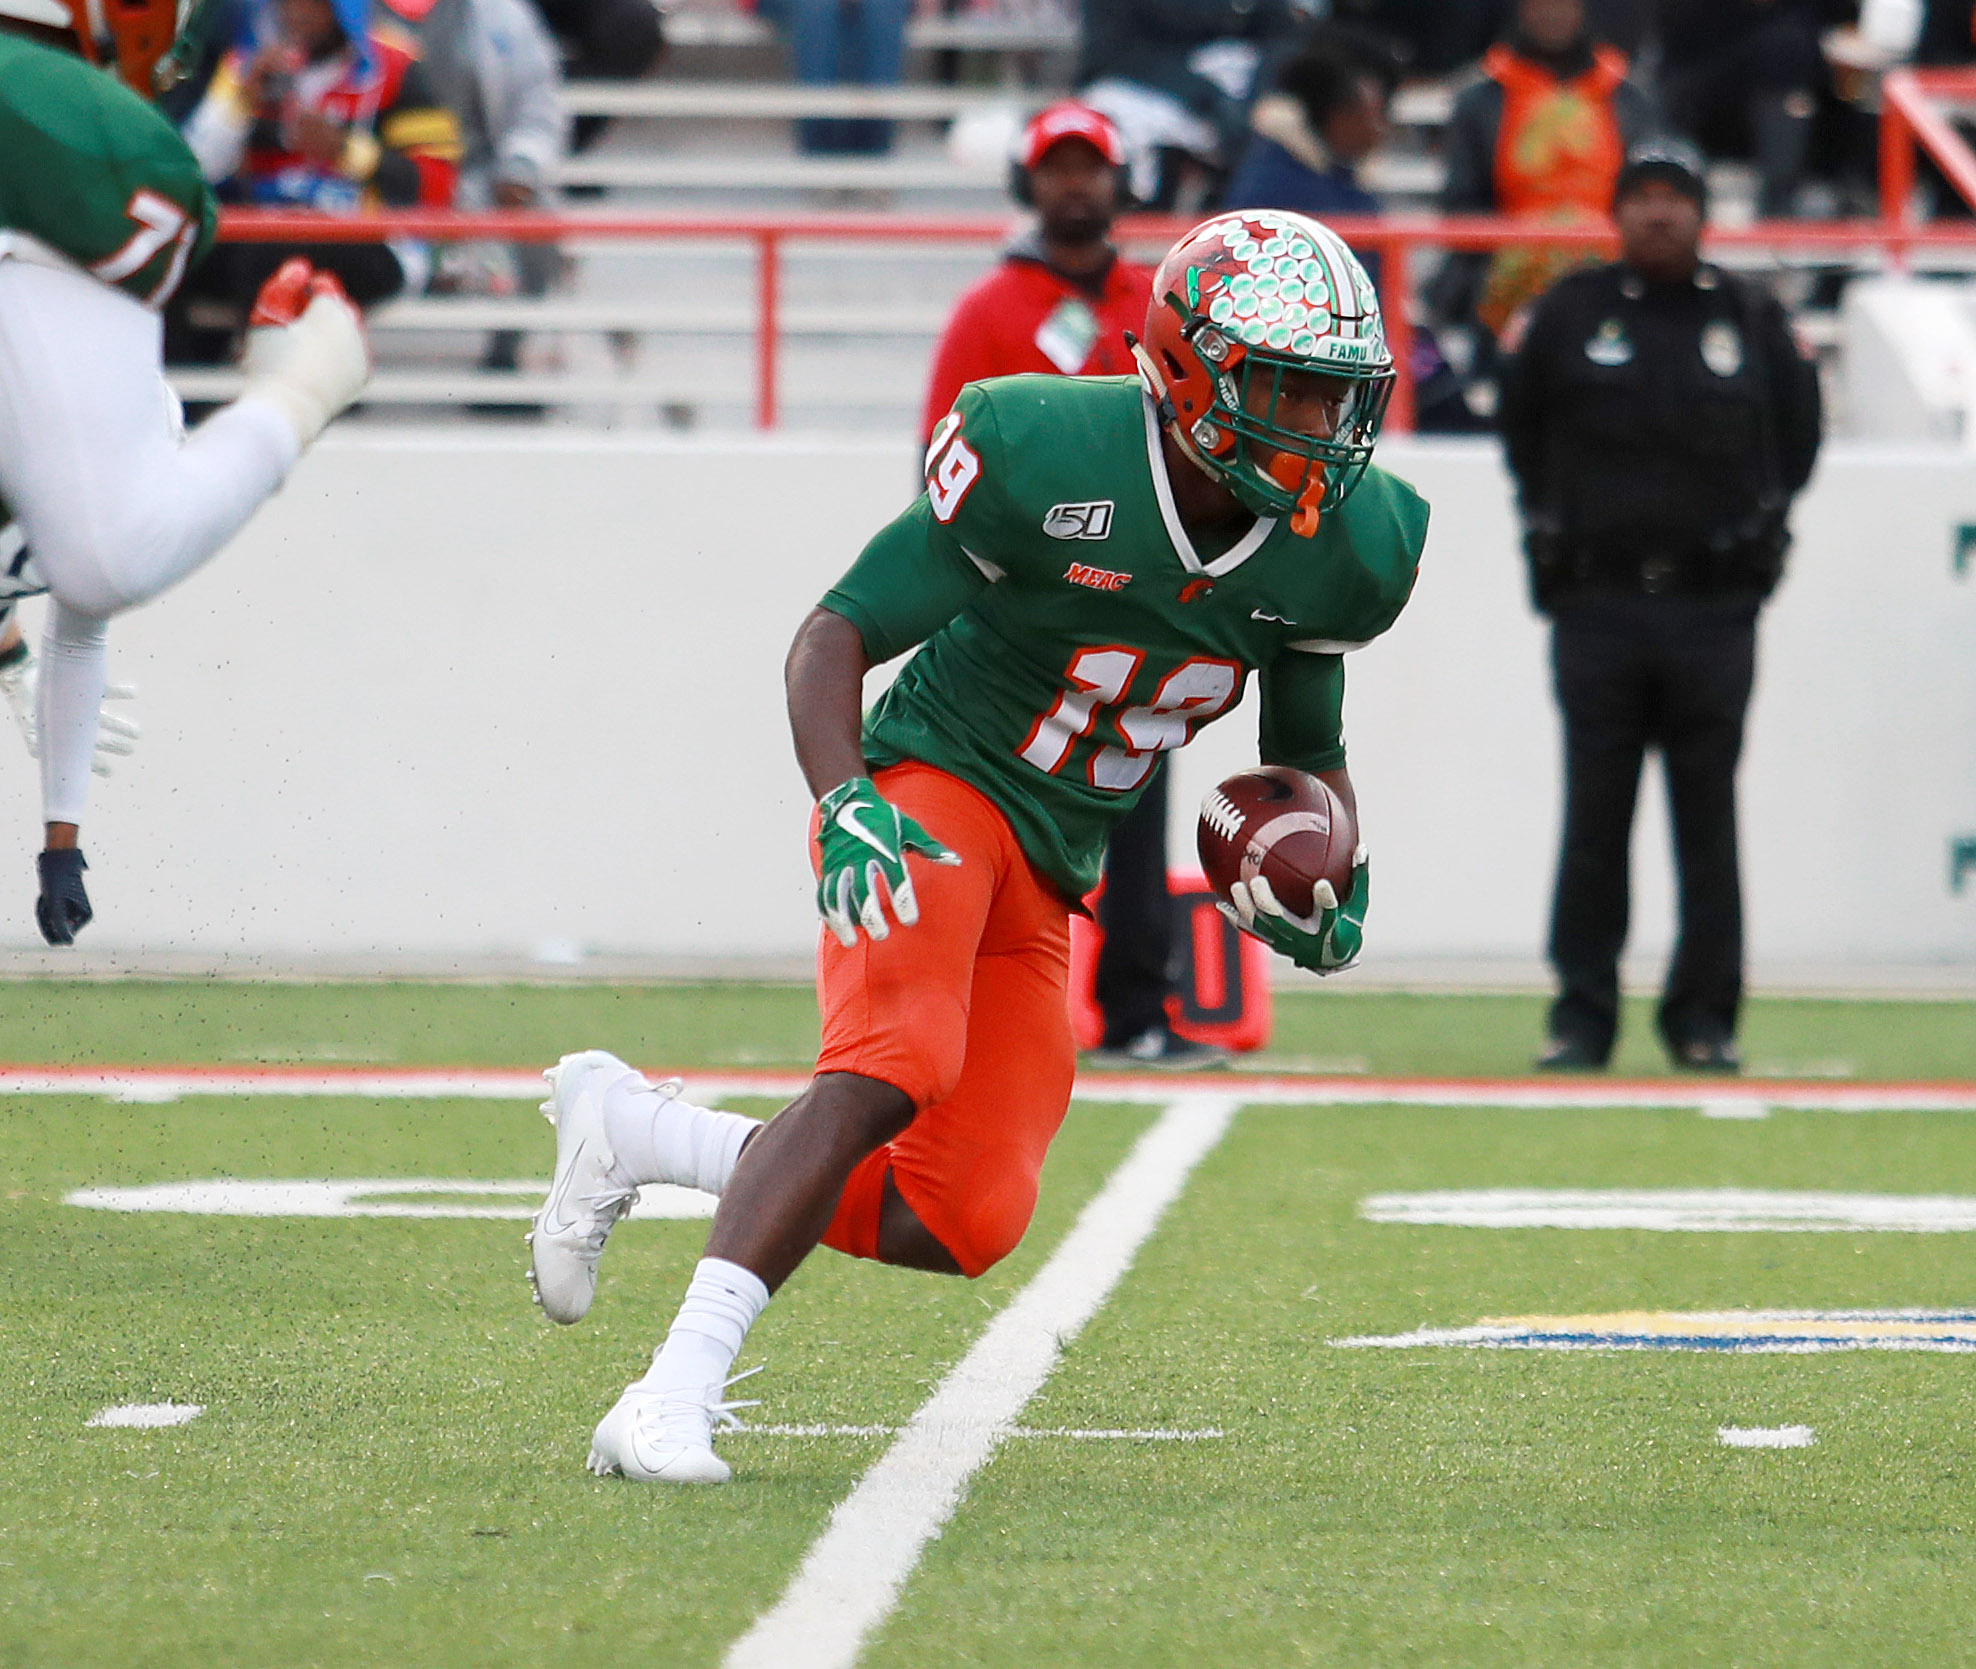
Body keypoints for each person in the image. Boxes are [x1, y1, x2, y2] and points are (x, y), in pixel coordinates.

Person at [525, 208, 1429, 1484]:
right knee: (898, 1057)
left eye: (1337, 395)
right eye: (1287, 385)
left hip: (1059, 856)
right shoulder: (1040, 445)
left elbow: (1301, 750)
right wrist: (844, 796)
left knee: (962, 1214)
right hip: (936, 781)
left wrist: (1334, 867)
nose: (1319, 426)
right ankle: (669, 1390)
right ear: (1187, 370)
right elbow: (835, 630)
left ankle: (638, 1131)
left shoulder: (1352, 540)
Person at [0, 0, 371, 942]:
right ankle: (297, 396)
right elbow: (106, 561)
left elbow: (79, 616)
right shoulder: (86, 138)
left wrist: (60, 839)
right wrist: (292, 403)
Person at [1497, 140, 1822, 1074]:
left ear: (1703, 213)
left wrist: (1754, 535)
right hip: (1596, 605)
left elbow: (1798, 436)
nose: (1658, 213)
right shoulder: (1569, 313)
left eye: (1676, 196)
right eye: (1640, 196)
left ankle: (1705, 1018)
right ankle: (1582, 1016)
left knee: (1706, 818)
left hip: (1714, 610)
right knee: (1595, 816)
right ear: (1615, 212)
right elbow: (1521, 431)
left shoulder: (1751, 318)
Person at [923, 101, 1213, 1069]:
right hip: (1024, 623)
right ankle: (959, 1014)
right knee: (990, 822)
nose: (1075, 184)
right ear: (1028, 181)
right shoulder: (987, 312)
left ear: (1121, 179)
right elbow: (944, 469)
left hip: (1138, 611)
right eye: (1057, 167)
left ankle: (1136, 1006)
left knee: (1135, 816)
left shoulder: (1160, 302)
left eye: (1090, 166)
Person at [179, 0, 461, 317]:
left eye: (314, 4)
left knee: (284, 254)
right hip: (263, 231)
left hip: (368, 240)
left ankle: (262, 352)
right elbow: (194, 171)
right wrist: (240, 106)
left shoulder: (397, 67)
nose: (296, 12)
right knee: (173, 255)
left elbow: (437, 186)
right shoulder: (248, 62)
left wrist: (347, 151)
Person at [1426, 0, 1655, 361]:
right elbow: (1461, 202)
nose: (1553, 13)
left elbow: (1647, 190)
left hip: (1611, 255)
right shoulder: (1478, 99)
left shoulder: (1630, 97)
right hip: (1505, 266)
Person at [375, 0, 564, 379]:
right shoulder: (348, 11)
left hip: (474, 176)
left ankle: (508, 352)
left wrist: (519, 167)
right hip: (376, 175)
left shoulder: (498, 12)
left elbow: (537, 104)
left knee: (537, 217)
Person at [1077, 0, 1298, 207]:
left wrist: (1252, 101)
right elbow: (1110, 52)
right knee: (1109, 109)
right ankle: (1143, 213)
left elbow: (1283, 35)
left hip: (1240, 89)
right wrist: (1207, 96)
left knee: (1288, 115)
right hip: (1146, 87)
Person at [1657, 0, 1824, 220]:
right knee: (1783, 47)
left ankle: (1783, 200)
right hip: (1698, 104)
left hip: (1801, 115)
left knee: (1789, 49)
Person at [1222, 33, 1397, 233]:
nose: (1381, 128)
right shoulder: (1272, 186)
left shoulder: (1341, 175)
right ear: (1338, 116)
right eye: (1372, 114)